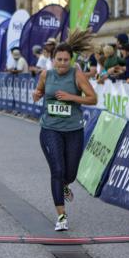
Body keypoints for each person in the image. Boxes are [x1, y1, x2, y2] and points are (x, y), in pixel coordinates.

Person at [31, 31, 98, 231]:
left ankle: (65, 185)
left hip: (74, 130)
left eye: (65, 60)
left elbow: (92, 99)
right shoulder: (46, 74)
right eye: (58, 60)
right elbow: (40, 91)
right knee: (57, 170)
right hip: (50, 129)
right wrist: (37, 94)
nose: (61, 63)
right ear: (53, 60)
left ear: (71, 60)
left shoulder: (77, 75)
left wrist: (72, 97)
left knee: (70, 173)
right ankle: (61, 216)